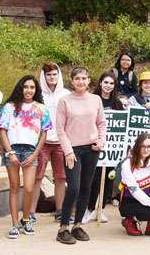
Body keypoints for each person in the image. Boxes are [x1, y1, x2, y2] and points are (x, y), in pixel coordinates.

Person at [55, 67, 107, 245]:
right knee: (73, 188)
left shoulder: (95, 99)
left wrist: (100, 141)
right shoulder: (64, 101)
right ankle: (63, 228)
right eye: (77, 79)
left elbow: (101, 123)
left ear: (89, 80)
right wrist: (68, 151)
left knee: (86, 187)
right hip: (73, 150)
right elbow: (60, 129)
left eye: (84, 78)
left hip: (92, 149)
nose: (81, 82)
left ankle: (77, 225)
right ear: (71, 81)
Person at [0, 75, 50, 239]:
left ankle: (26, 220)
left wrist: (34, 155)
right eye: (26, 87)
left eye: (32, 87)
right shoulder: (9, 107)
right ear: (21, 88)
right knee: (14, 187)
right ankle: (14, 224)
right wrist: (9, 152)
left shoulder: (41, 108)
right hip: (12, 149)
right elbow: (2, 131)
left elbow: (44, 134)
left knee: (28, 188)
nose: (29, 90)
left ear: (36, 90)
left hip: (30, 151)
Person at [29, 61, 71, 223]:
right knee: (37, 177)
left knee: (60, 177)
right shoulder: (37, 94)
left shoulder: (66, 94)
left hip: (61, 141)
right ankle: (30, 213)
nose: (52, 77)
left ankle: (60, 211)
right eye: (48, 75)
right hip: (42, 142)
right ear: (43, 76)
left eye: (55, 74)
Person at [84, 71, 124, 224]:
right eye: (106, 82)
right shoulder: (92, 100)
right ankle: (90, 209)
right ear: (100, 83)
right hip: (93, 145)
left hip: (111, 148)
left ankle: (101, 209)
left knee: (108, 179)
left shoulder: (117, 104)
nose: (108, 86)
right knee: (93, 179)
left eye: (111, 83)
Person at [118, 133, 150, 238]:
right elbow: (135, 191)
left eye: (149, 147)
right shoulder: (127, 164)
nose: (146, 150)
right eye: (143, 146)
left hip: (147, 197)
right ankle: (129, 220)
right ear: (137, 147)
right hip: (130, 201)